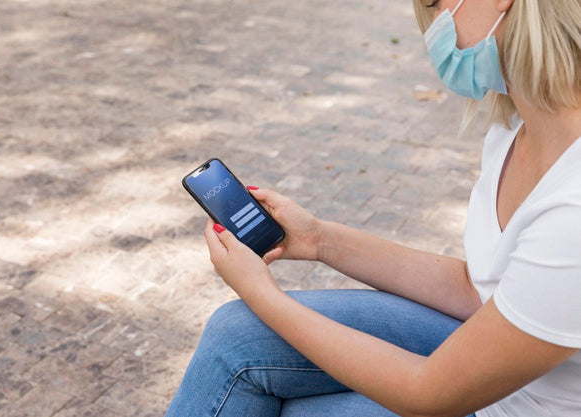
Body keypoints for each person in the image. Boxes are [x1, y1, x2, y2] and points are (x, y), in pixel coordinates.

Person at [166, 0, 581, 415]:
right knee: (235, 336)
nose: (434, 29)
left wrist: (260, 292)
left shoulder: (572, 209)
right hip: (496, 374)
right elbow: (478, 290)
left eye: (435, 3)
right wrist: (319, 240)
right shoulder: (517, 127)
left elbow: (429, 393)